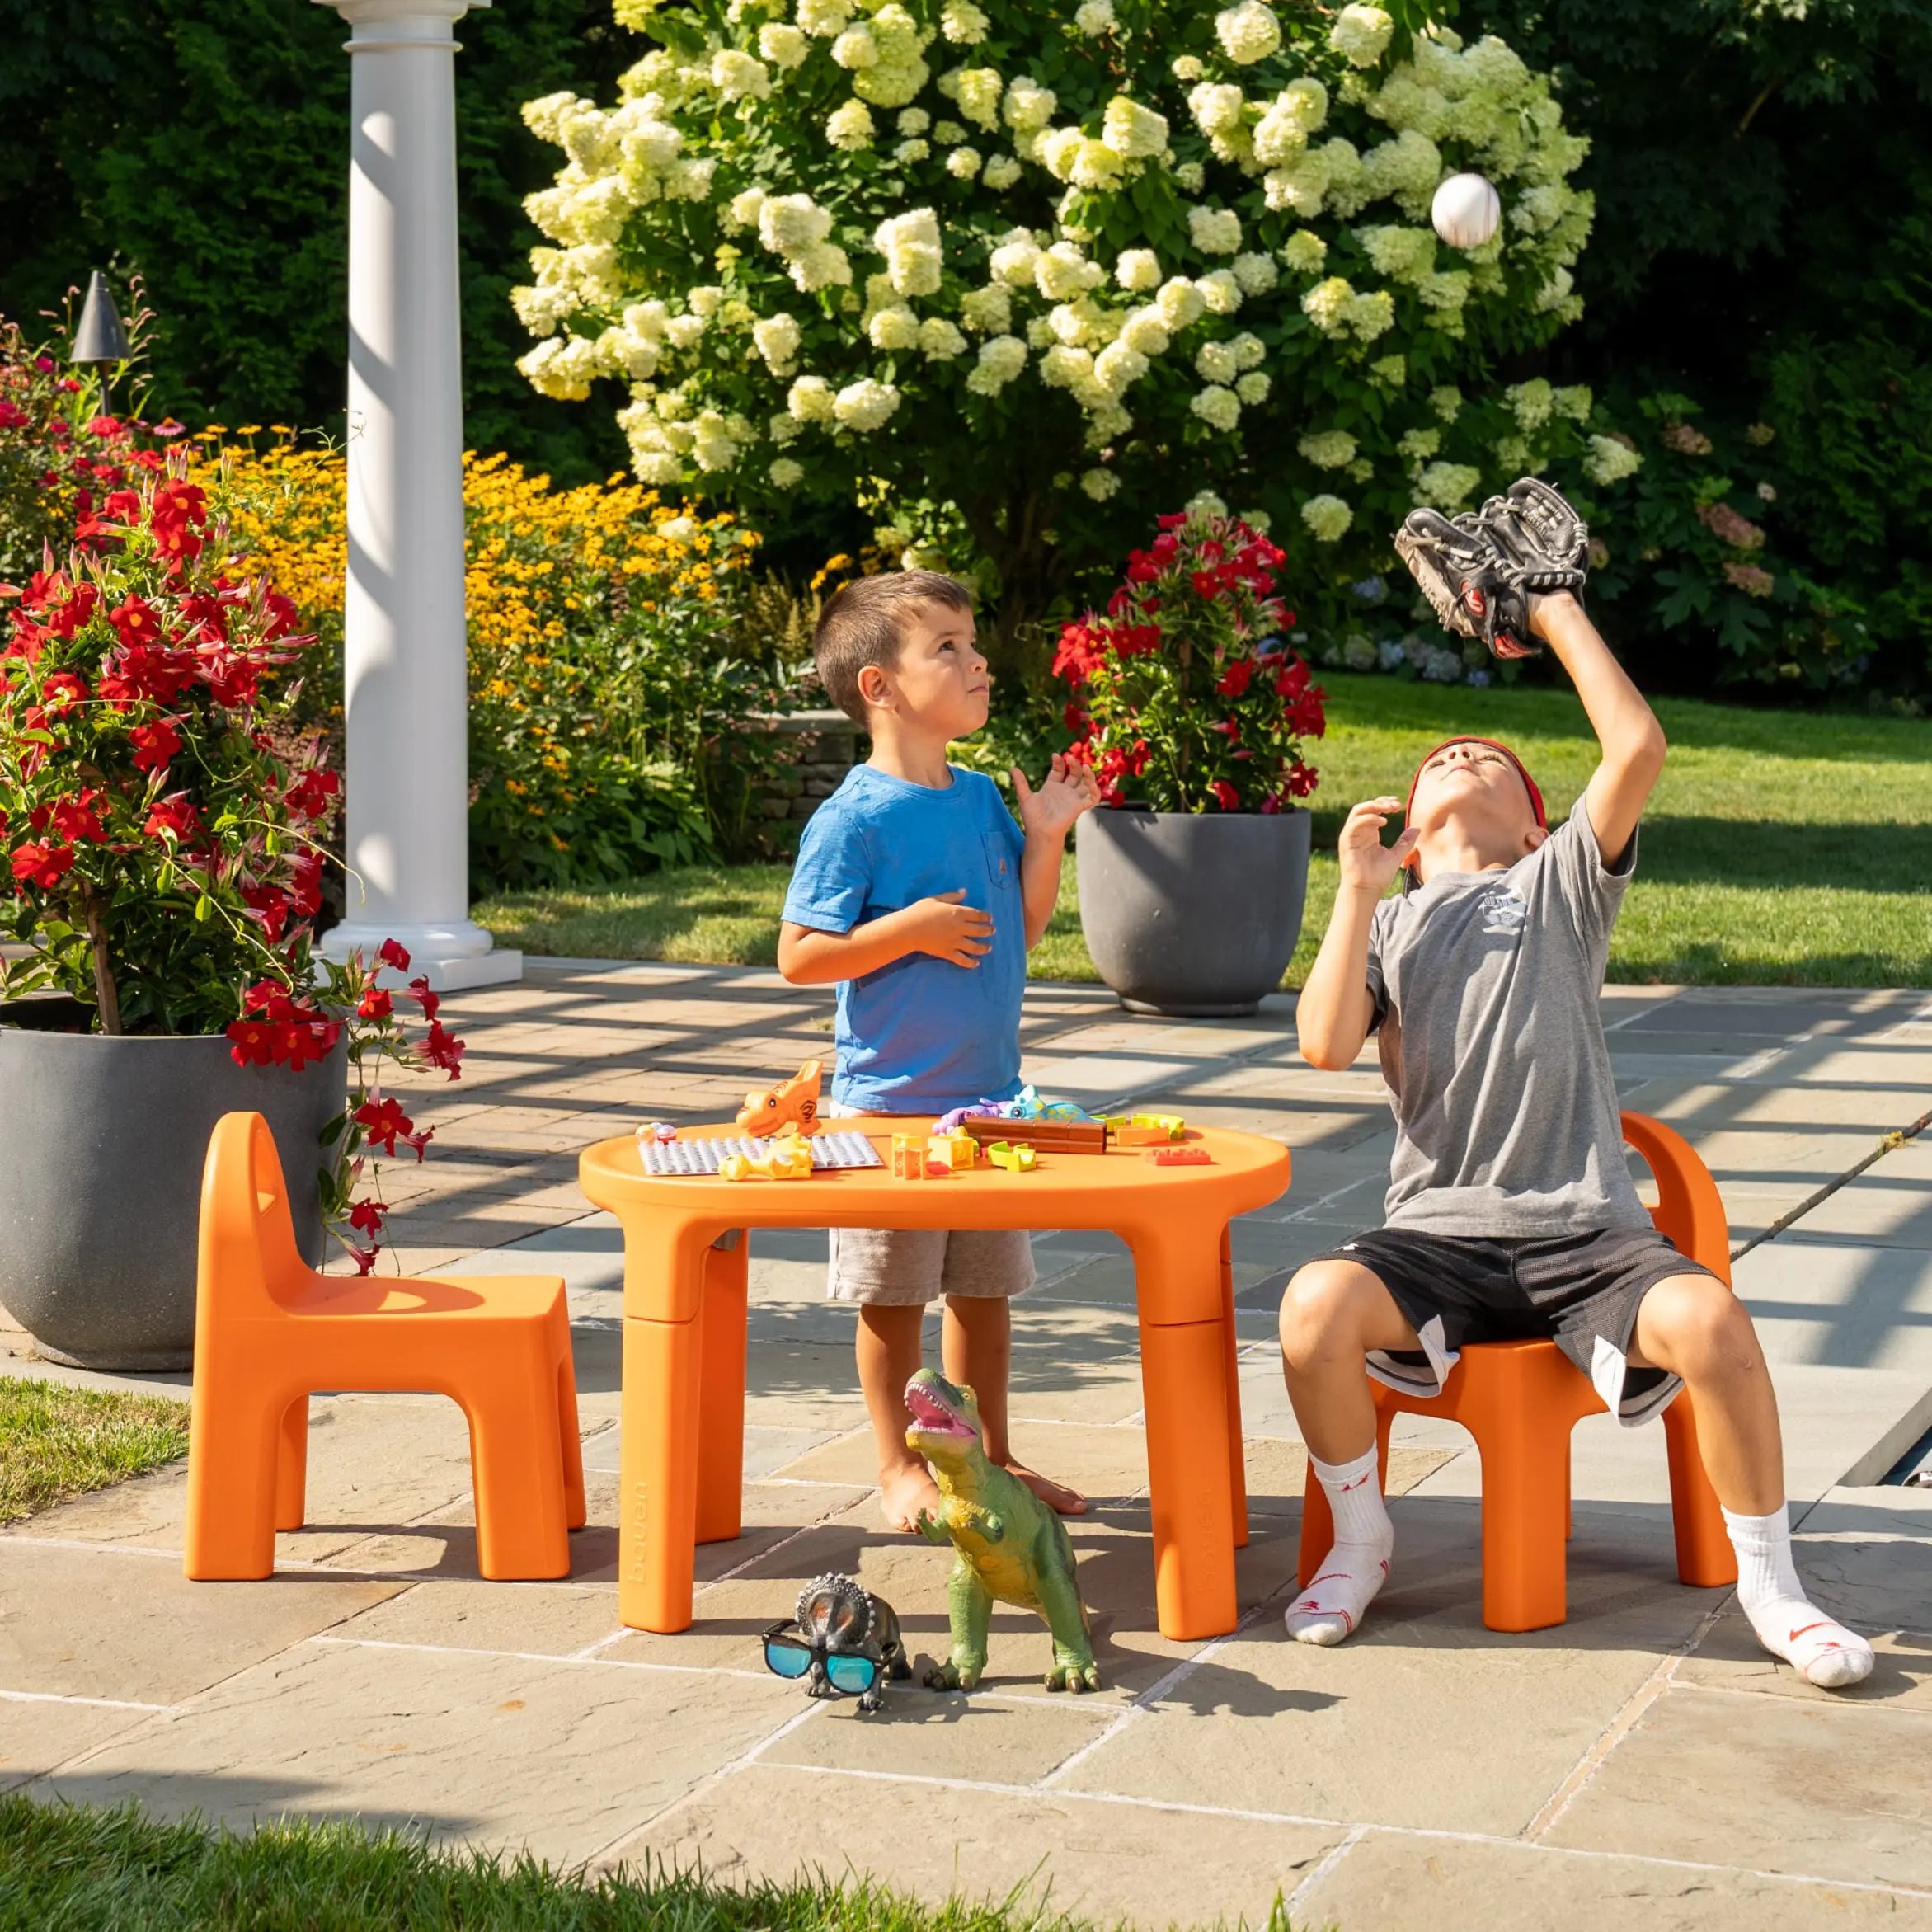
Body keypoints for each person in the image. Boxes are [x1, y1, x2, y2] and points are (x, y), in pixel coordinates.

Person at [1278, 588, 1873, 1690]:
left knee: (1711, 1318)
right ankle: (1360, 1542)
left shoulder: (1552, 891)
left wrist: (1548, 610)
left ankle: (1771, 1583)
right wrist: (1352, 895)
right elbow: (1321, 1044)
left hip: (1587, 1234)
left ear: (1534, 826)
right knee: (1309, 1306)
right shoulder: (1394, 918)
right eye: (1440, 756)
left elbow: (1635, 740)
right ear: (1408, 834)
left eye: (1488, 757)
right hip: (1433, 1240)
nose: (1460, 752)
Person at [777, 571, 1098, 1533]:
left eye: (972, 641)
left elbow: (1020, 932)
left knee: (985, 1293)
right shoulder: (855, 819)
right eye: (946, 647)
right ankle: (894, 1468)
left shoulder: (976, 801)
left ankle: (988, 1458)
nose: (975, 660)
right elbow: (799, 956)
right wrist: (907, 929)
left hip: (988, 1105)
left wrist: (1043, 838)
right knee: (891, 1298)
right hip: (885, 1110)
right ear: (879, 687)